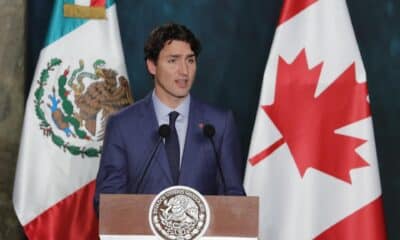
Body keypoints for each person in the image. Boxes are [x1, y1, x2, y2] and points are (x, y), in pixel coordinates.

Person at [94, 23, 245, 212]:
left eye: (190, 60)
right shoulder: (122, 125)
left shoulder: (219, 124)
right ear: (152, 65)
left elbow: (235, 201)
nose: (184, 71)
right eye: (173, 60)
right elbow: (107, 203)